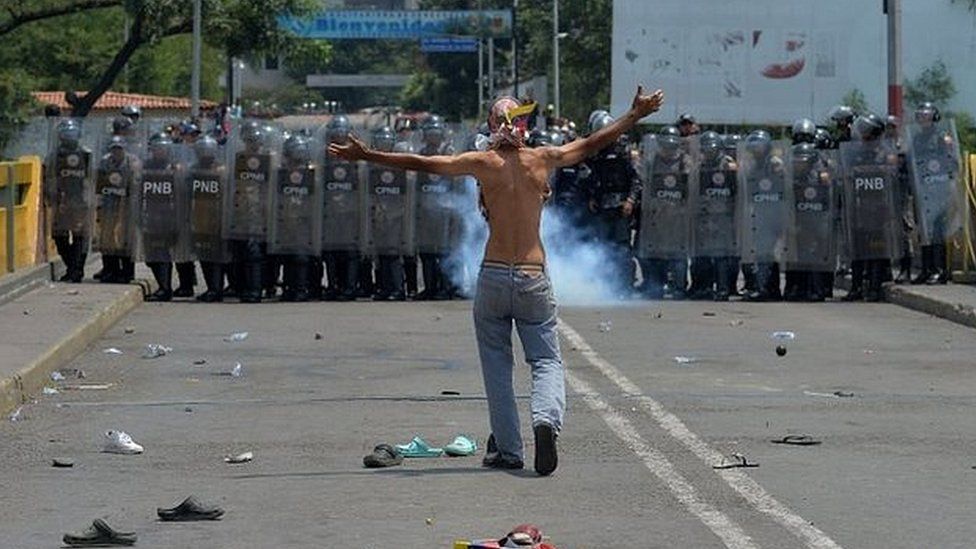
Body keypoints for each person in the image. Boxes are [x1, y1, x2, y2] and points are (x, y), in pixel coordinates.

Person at [329, 86, 665, 476]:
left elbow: (422, 162)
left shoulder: (482, 163)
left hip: (492, 275)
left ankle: (508, 450)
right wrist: (635, 114)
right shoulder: (542, 159)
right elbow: (592, 143)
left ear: (491, 126)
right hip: (532, 275)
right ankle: (545, 420)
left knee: (497, 367)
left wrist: (368, 155)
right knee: (546, 361)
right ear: (523, 126)